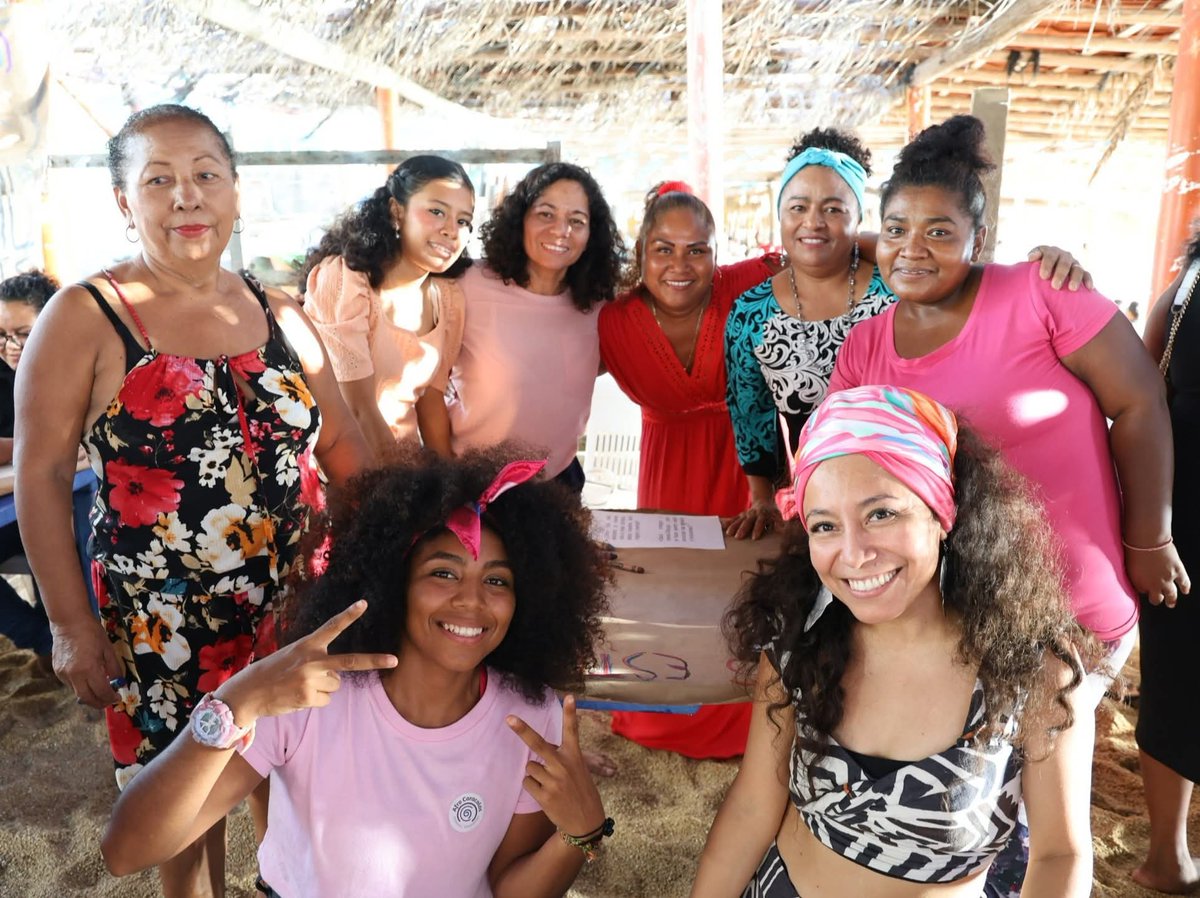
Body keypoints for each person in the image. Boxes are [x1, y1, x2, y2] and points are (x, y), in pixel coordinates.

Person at [828, 113, 1189, 895]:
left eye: (938, 230)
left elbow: (1139, 402)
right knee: (979, 807)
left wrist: (1149, 538)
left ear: (979, 239)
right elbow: (845, 469)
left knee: (1038, 807)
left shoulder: (1040, 294)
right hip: (962, 609)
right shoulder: (867, 347)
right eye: (894, 229)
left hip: (1073, 601)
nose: (911, 248)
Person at [14, 104, 368, 897]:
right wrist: (70, 628)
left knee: (294, 783)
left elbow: (344, 447)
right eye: (159, 180)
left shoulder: (279, 313)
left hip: (292, 600)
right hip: (163, 623)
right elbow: (40, 478)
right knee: (187, 814)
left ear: (236, 190)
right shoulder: (85, 316)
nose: (187, 197)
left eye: (206, 174)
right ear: (122, 202)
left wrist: (388, 554)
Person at [101, 447, 612, 898]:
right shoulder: (309, 694)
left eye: (497, 580)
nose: (471, 601)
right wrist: (237, 702)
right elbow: (126, 852)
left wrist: (581, 834)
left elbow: (511, 889)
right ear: (392, 581)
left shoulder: (532, 716)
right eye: (443, 572)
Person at [690, 385, 1099, 898]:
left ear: (941, 510)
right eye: (825, 526)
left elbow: (1061, 854)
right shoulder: (798, 646)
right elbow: (752, 807)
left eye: (881, 513)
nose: (854, 554)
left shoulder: (1031, 668)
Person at [725, 128, 1090, 540]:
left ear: (859, 219)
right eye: (798, 207)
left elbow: (957, 272)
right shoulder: (750, 313)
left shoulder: (899, 281)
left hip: (927, 488)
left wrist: (1049, 264)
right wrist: (765, 501)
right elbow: (752, 421)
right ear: (780, 214)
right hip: (822, 493)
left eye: (834, 209)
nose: (813, 222)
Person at [598, 181, 782, 759]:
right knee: (671, 582)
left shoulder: (750, 283)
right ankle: (671, 702)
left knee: (751, 584)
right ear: (641, 253)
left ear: (716, 253)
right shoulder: (612, 318)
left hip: (748, 462)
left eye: (696, 249)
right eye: (664, 249)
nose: (681, 264)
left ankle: (745, 709)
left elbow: (840, 247)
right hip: (668, 464)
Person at [447, 161, 625, 491]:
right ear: (520, 219)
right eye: (546, 214)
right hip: (470, 483)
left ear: (591, 235)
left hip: (559, 483)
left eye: (577, 221)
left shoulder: (600, 306)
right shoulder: (466, 285)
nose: (561, 230)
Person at [301, 155, 474, 458]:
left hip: (406, 470)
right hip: (346, 469)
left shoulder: (448, 298)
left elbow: (431, 401)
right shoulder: (345, 282)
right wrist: (405, 492)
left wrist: (451, 489)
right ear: (397, 211)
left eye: (463, 221)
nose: (452, 230)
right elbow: (356, 408)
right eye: (436, 211)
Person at [1135, 222, 1200, 894]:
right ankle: (1166, 859)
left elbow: (1140, 384)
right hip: (1176, 519)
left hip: (1176, 507)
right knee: (1177, 676)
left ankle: (1166, 857)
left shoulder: (1188, 279)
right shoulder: (1188, 281)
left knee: (1176, 676)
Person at [0, 270, 61, 671]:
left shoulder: (71, 367)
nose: (10, 347)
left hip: (68, 506)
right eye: (2, 336)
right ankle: (43, 640)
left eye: (22, 334)